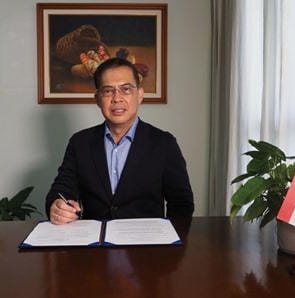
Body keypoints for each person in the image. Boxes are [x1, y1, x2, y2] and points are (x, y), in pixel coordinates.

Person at [45, 57, 194, 225]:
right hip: (94, 245)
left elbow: (182, 204)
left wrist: (169, 242)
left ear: (140, 95)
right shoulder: (80, 143)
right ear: (97, 98)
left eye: (126, 89)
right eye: (108, 91)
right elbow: (61, 190)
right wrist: (56, 205)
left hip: (147, 246)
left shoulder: (164, 144)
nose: (117, 98)